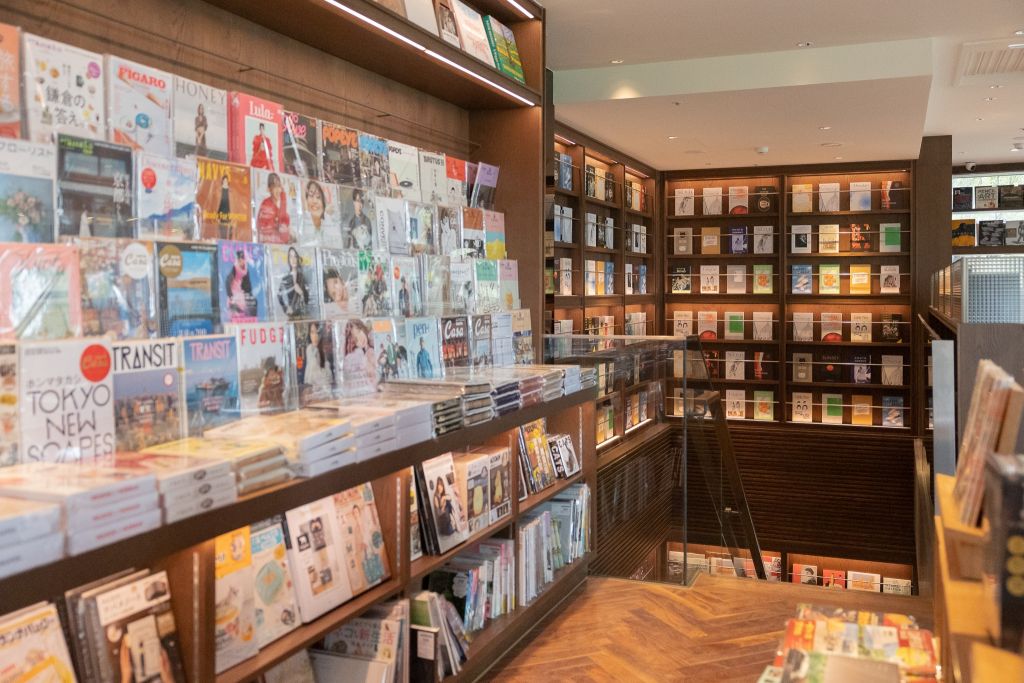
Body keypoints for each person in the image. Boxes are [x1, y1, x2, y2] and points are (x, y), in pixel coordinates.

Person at [255, 172, 291, 243]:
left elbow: (283, 220)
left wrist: (283, 198)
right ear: (269, 189)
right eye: (275, 187)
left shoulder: (277, 207)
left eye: (279, 186)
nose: (278, 190)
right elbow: (266, 233)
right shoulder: (266, 205)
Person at [343, 319, 377, 393]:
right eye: (355, 339)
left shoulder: (373, 349)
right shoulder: (356, 357)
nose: (360, 339)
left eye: (359, 332)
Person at [302, 323, 333, 398]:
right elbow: (314, 374)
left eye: (317, 333)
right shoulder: (310, 349)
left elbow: (327, 374)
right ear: (309, 334)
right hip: (316, 390)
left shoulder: (322, 350)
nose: (315, 336)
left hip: (324, 390)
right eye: (312, 332)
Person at [277, 246, 309, 319]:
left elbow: (307, 300)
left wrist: (301, 293)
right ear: (288, 259)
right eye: (290, 257)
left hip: (302, 316)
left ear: (298, 258)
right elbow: (279, 296)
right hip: (290, 316)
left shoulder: (302, 278)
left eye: (295, 256)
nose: (293, 259)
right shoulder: (285, 278)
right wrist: (287, 308)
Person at [224, 249, 254, 319]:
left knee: (242, 312)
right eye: (239, 260)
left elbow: (247, 284)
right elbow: (227, 281)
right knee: (235, 312)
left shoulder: (246, 269)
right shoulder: (234, 268)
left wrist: (249, 294)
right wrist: (230, 296)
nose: (241, 262)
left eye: (242, 260)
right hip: (234, 293)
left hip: (240, 292)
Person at [301, 179, 327, 245]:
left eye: (318, 197)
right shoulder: (300, 227)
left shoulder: (330, 226)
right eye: (311, 196)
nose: (315, 201)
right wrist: (306, 212)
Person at [217, 174, 232, 239]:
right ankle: (222, 240)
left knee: (229, 230)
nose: (225, 182)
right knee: (221, 229)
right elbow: (218, 204)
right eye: (224, 180)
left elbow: (232, 203)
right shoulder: (220, 190)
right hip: (221, 212)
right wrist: (218, 216)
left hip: (228, 212)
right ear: (222, 181)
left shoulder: (230, 191)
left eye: (226, 180)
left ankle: (227, 241)